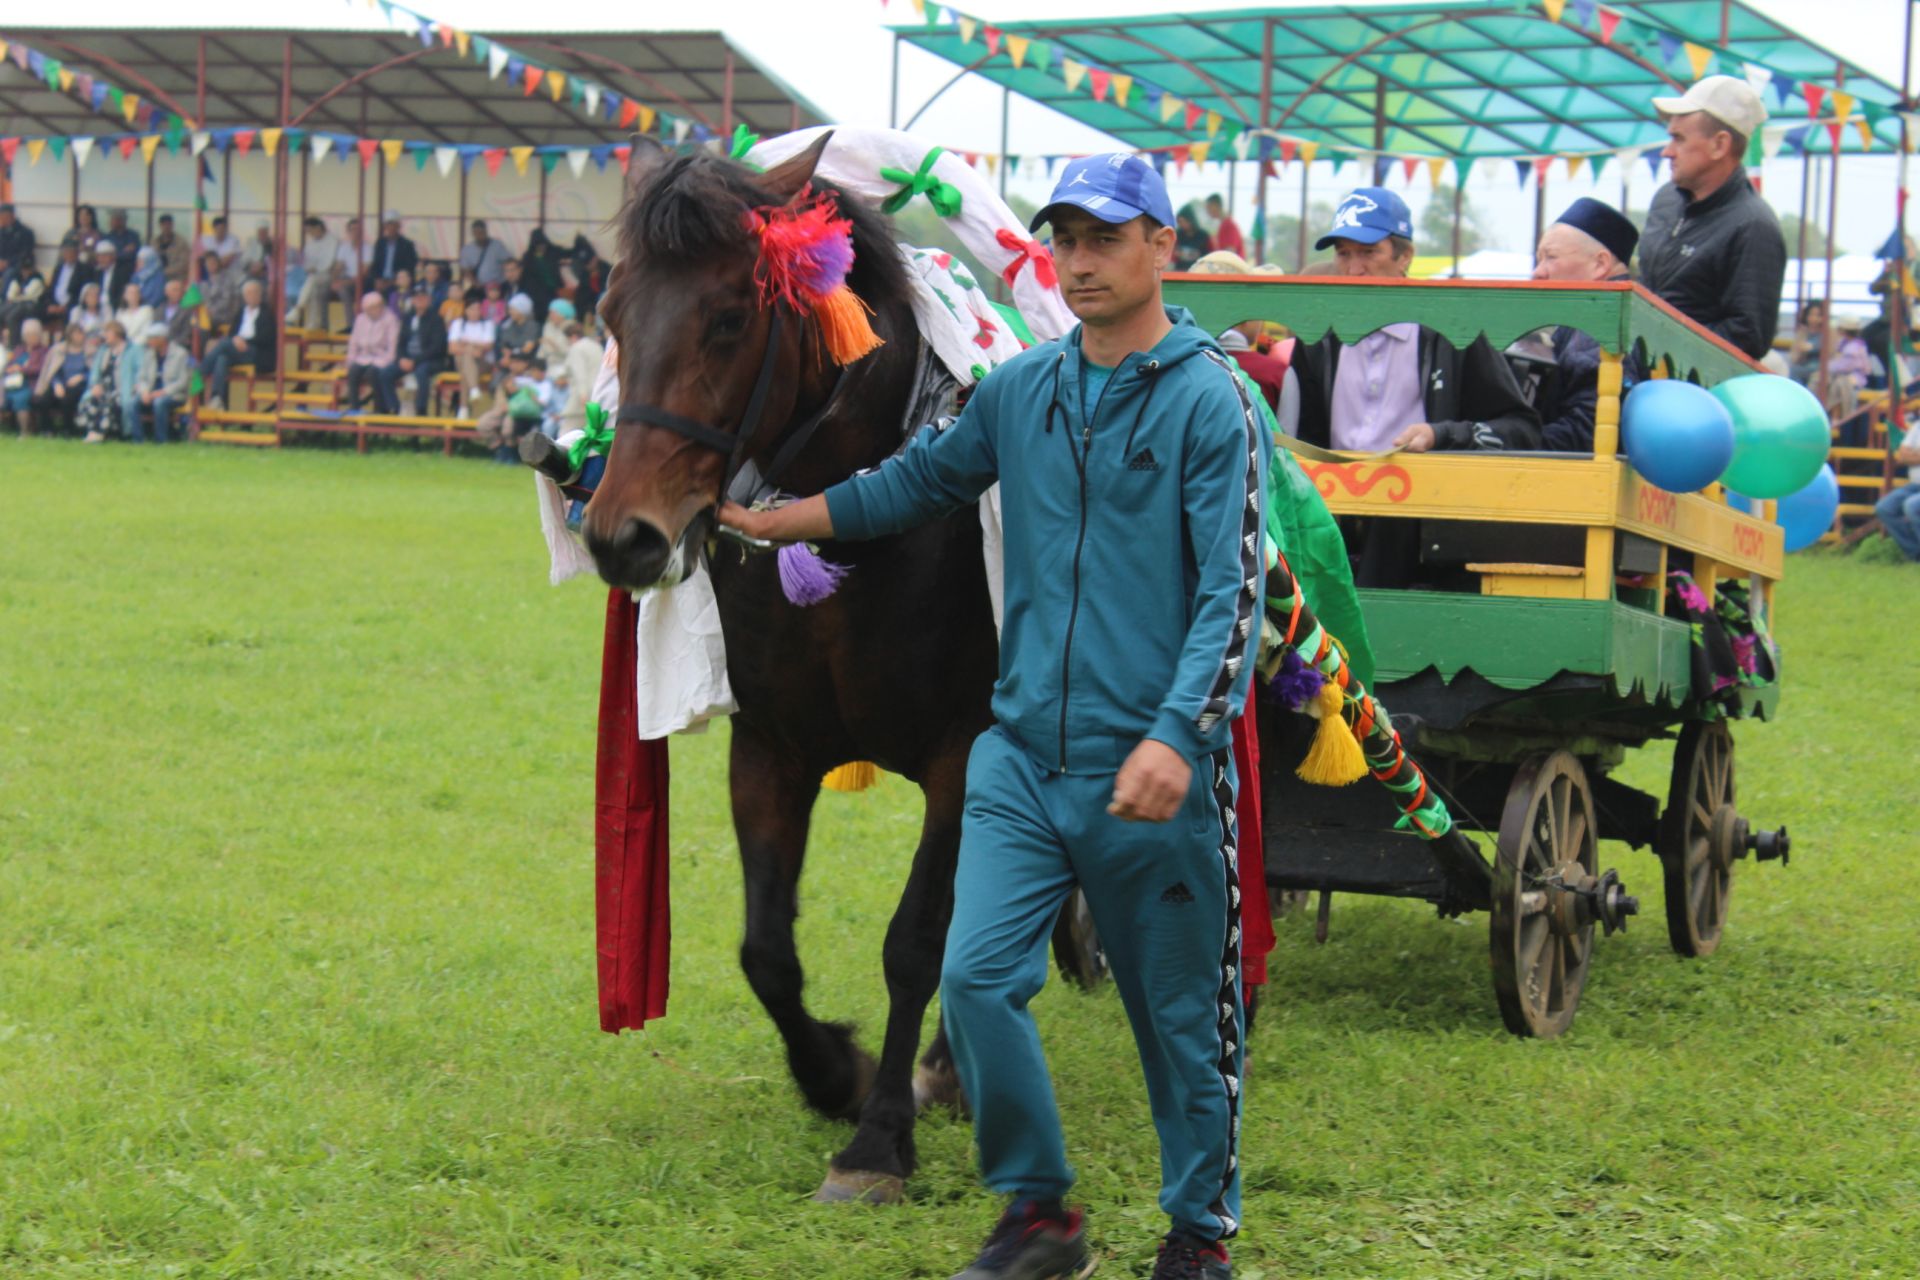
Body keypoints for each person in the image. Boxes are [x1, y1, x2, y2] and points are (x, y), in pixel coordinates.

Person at [720, 151, 1262, 1280]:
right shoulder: (1020, 390)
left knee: (1177, 1021)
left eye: (1106, 237)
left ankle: (1198, 1231)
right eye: (1063, 238)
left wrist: (1179, 735)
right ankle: (1039, 1216)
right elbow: (913, 484)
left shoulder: (1214, 400)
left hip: (1149, 762)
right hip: (1019, 755)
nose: (1079, 260)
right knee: (971, 984)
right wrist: (781, 521)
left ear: (1162, 246)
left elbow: (1233, 592)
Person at [1640, 75, 1787, 360]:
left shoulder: (1754, 226)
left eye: (1678, 138)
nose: (1666, 151)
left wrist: (1663, 347)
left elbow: (1747, 337)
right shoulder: (1665, 200)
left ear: (1720, 145)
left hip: (1696, 395)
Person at [1524, 198, 1640, 452]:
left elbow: (1586, 431)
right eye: (1538, 259)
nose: (1537, 272)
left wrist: (1507, 442)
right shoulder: (1611, 311)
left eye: (1550, 258)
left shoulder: (1601, 317)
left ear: (1600, 264)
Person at [200, 278, 275, 412]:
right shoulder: (241, 312)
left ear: (259, 294)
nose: (251, 296)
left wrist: (245, 341)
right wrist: (236, 339)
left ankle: (200, 371)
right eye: (248, 293)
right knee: (222, 358)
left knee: (224, 345)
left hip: (256, 351)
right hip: (236, 348)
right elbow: (232, 333)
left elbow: (267, 337)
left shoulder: (266, 313)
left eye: (254, 292)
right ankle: (217, 399)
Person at [395, 284, 450, 417]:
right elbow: (400, 343)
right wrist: (401, 358)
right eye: (417, 298)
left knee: (422, 371)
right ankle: (392, 409)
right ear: (412, 300)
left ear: (429, 300)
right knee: (385, 373)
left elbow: (437, 347)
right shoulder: (407, 318)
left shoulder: (436, 319)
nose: (420, 300)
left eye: (423, 298)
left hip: (430, 360)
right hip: (408, 359)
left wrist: (415, 360)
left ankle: (421, 410)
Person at [128, 329, 190, 444]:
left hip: (174, 395)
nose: (149, 342)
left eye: (151, 339)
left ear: (161, 339)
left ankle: (160, 440)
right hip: (150, 393)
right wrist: (144, 391)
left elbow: (183, 381)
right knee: (132, 403)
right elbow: (141, 377)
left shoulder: (180, 354)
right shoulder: (148, 354)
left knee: (159, 403)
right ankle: (138, 439)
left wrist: (163, 392)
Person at [344, 291, 400, 414]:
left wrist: (386, 361)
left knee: (373, 374)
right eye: (372, 308)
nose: (376, 310)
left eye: (378, 306)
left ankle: (379, 409)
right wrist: (351, 359)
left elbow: (392, 345)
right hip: (363, 357)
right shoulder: (360, 319)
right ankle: (354, 409)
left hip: (382, 358)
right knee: (353, 371)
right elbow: (354, 342)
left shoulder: (390, 319)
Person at [1875, 420, 1920, 562]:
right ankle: (1915, 554)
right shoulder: (1918, 426)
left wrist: (1913, 455)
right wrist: (1911, 456)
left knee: (1911, 506)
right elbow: (1902, 456)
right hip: (1915, 485)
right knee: (1884, 508)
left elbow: (1907, 455)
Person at [446, 289, 496, 416]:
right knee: (466, 358)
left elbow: (488, 346)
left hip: (483, 362)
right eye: (472, 309)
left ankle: (463, 408)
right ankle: (474, 389)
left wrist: (467, 343)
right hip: (465, 360)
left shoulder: (487, 324)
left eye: (478, 309)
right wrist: (471, 348)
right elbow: (452, 348)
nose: (475, 312)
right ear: (466, 310)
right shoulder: (458, 324)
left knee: (465, 371)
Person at [78, 321, 130, 443]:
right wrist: (95, 385)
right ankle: (92, 431)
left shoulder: (131, 350)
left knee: (109, 402)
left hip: (121, 388)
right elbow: (95, 371)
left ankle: (102, 433)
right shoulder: (103, 350)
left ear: (117, 334)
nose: (105, 336)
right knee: (90, 400)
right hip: (103, 387)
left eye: (108, 333)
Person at [290, 218, 340, 332]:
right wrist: (311, 268)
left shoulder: (332, 241)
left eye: (310, 230)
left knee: (313, 282)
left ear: (318, 228)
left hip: (329, 275)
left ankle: (298, 310)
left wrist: (316, 268)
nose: (309, 234)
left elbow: (328, 263)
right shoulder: (310, 244)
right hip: (313, 277)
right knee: (313, 286)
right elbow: (307, 264)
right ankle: (312, 323)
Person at [2, 318, 50, 434]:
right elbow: (10, 364)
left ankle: (25, 431)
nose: (30, 337)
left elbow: (41, 369)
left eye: (33, 334)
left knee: (21, 399)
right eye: (28, 335)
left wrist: (22, 369)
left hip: (31, 384)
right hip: (12, 383)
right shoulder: (19, 350)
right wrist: (10, 368)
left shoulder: (44, 351)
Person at [1, 256, 47, 342]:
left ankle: (14, 345)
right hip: (17, 304)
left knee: (12, 317)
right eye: (24, 269)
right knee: (2, 311)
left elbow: (28, 296)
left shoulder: (37, 278)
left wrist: (16, 296)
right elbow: (10, 295)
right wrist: (16, 295)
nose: (25, 272)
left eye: (28, 269)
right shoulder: (18, 278)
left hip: (33, 306)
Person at [371, 210, 418, 289]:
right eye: (388, 224)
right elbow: (375, 264)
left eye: (393, 224)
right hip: (381, 280)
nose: (390, 227)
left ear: (398, 226)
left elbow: (409, 267)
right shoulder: (380, 243)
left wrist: (394, 280)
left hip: (397, 281)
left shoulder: (407, 245)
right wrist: (377, 279)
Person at [521, 228, 561, 320]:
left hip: (551, 293)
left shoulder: (552, 253)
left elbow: (567, 253)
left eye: (543, 244)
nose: (542, 247)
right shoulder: (528, 258)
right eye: (539, 245)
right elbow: (525, 278)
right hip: (534, 294)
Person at [459, 219, 511, 287]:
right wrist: (475, 283)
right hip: (480, 287)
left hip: (498, 286)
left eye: (481, 233)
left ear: (486, 232)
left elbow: (508, 262)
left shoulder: (497, 245)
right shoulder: (467, 250)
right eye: (476, 233)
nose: (479, 235)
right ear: (473, 234)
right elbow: (465, 270)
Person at [496, 291, 540, 368]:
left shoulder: (532, 326)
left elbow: (527, 349)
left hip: (525, 362)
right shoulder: (508, 325)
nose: (510, 312)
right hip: (508, 362)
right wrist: (506, 353)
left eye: (513, 309)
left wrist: (511, 356)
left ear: (521, 310)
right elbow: (504, 344)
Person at [1788, 300, 1828, 385]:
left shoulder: (1828, 333)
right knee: (1793, 370)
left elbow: (1830, 351)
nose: (1814, 318)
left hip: (1821, 368)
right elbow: (1793, 354)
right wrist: (1800, 350)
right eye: (1811, 314)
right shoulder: (1802, 332)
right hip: (1803, 365)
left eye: (1818, 315)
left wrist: (1812, 347)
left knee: (1795, 371)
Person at [0, 203, 37, 286]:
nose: (2, 219)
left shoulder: (25, 232)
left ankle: (4, 298)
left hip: (18, 265)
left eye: (4, 217)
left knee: (9, 274)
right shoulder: (1, 232)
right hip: (2, 264)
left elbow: (26, 253)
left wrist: (7, 262)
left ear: (11, 215)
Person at [92, 241, 132, 309]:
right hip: (98, 308)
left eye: (104, 256)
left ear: (113, 256)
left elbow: (122, 295)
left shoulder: (122, 272)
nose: (101, 259)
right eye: (99, 256)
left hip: (115, 308)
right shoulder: (96, 272)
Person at [114, 281, 155, 345]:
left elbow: (146, 332)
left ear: (140, 295)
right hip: (122, 347)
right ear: (125, 296)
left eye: (136, 292)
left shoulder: (147, 311)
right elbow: (117, 332)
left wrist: (131, 346)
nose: (133, 295)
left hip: (140, 346)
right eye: (130, 293)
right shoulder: (120, 313)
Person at [1204, 194, 1246, 258]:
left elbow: (1230, 252)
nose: (1207, 212)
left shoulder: (1229, 225)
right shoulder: (1222, 224)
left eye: (1208, 207)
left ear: (1215, 206)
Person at [1173, 202, 1212, 270]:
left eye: (1183, 221)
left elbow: (1211, 255)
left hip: (1199, 271)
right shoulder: (1177, 235)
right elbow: (1172, 254)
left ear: (1190, 220)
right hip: (1180, 270)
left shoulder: (1203, 236)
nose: (1181, 224)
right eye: (1179, 222)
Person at [152, 213, 189, 284]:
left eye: (169, 224)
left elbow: (184, 264)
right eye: (164, 224)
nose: (166, 227)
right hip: (157, 279)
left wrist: (165, 271)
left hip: (177, 279)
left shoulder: (181, 242)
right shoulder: (154, 242)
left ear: (172, 225)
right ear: (160, 226)